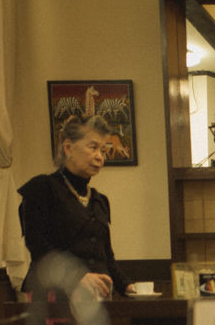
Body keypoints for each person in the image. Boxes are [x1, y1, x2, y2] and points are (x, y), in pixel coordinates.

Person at [18, 114, 133, 300]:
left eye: (103, 151)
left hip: (98, 298)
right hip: (53, 294)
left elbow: (107, 257)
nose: (100, 157)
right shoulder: (42, 188)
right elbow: (37, 245)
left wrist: (128, 286)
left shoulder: (99, 200)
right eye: (93, 147)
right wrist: (77, 276)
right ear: (68, 147)